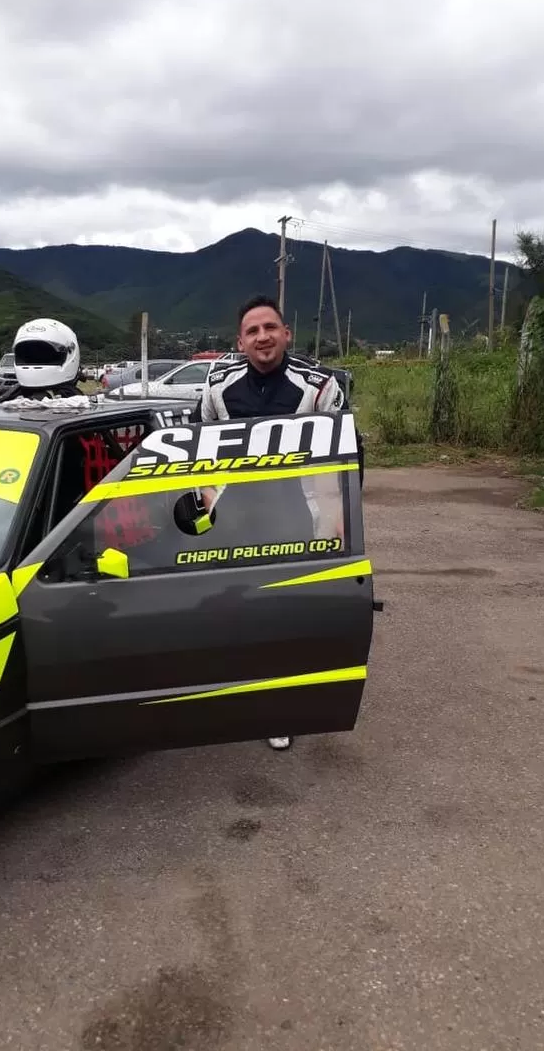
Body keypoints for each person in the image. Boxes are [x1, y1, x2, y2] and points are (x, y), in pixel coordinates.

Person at [190, 294, 351, 752]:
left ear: (286, 334)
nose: (262, 336)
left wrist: (338, 519)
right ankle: (236, 692)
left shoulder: (320, 386)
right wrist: (206, 506)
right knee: (235, 608)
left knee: (286, 612)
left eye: (270, 328)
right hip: (235, 515)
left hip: (297, 515)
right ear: (240, 341)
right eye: (252, 331)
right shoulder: (217, 388)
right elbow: (199, 451)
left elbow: (342, 458)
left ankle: (279, 707)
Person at [0, 318, 88, 401]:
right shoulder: (79, 403)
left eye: (45, 353)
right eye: (27, 354)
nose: (34, 358)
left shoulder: (7, 400)